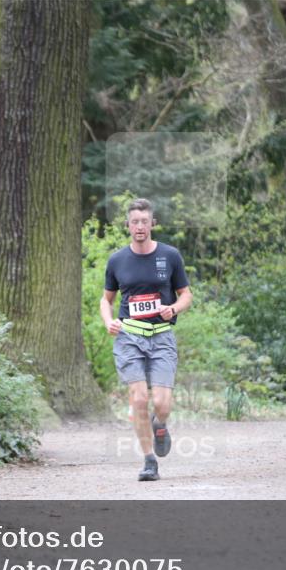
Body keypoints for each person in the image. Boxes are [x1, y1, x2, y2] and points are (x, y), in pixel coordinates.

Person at [100, 198, 192, 481]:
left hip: (161, 337)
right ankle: (149, 461)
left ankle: (159, 424)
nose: (139, 227)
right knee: (139, 399)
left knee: (162, 403)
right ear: (127, 225)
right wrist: (109, 321)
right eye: (134, 222)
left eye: (144, 222)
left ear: (153, 224)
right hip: (130, 337)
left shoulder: (170, 256)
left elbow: (186, 295)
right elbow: (106, 300)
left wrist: (173, 309)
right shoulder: (117, 260)